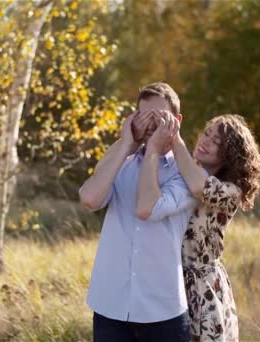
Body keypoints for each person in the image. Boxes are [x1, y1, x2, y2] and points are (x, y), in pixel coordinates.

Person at [79, 82, 194, 341]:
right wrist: (125, 143)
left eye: (160, 117)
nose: (152, 125)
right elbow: (88, 199)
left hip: (163, 309)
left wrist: (153, 150)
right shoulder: (121, 162)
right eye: (145, 117)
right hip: (110, 303)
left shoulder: (186, 172)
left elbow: (148, 209)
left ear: (177, 121)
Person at [139, 112, 260, 341]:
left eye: (216, 142)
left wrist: (175, 139)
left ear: (230, 156)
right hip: (167, 279)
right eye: (206, 134)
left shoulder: (231, 192)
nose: (205, 141)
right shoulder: (183, 173)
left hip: (200, 287)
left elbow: (201, 187)